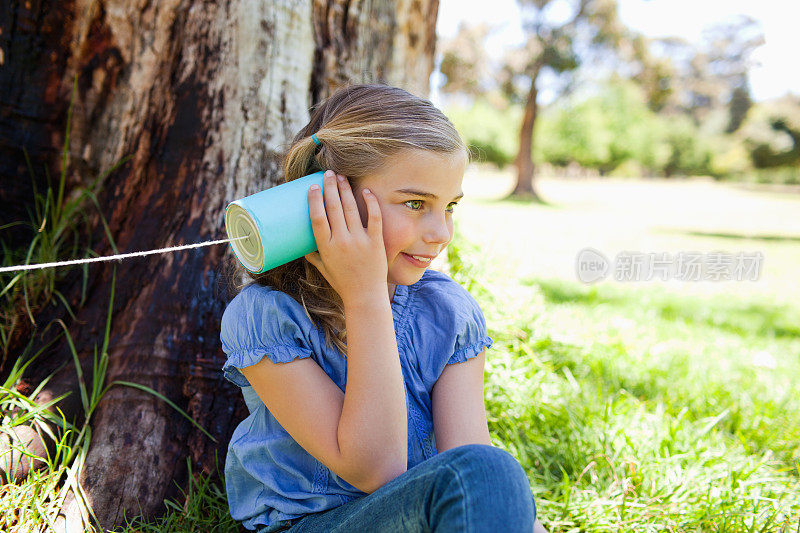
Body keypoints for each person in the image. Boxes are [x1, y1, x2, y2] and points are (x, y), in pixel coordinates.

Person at [220, 83, 546, 532]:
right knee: (487, 472)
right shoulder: (268, 319)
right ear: (332, 200)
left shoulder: (448, 313)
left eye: (449, 207)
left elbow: (469, 468)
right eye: (415, 204)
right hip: (312, 526)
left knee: (491, 471)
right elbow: (376, 469)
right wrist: (365, 296)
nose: (440, 233)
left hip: (417, 518)